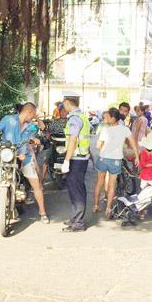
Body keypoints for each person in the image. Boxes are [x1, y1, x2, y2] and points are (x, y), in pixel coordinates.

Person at [0, 102, 50, 224]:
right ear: (29, 112)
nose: (33, 117)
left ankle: (42, 212)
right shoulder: (8, 119)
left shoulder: (31, 126)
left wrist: (35, 140)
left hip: (25, 157)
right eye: (33, 114)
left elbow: (40, 133)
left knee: (36, 184)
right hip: (7, 156)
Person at [93, 108, 141, 217]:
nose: (106, 119)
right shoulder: (125, 129)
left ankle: (95, 206)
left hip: (103, 158)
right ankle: (108, 208)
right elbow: (133, 143)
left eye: (108, 117)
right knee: (112, 185)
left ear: (113, 118)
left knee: (99, 183)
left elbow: (98, 145)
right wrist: (137, 157)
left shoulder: (106, 130)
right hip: (116, 160)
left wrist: (106, 148)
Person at [61, 92, 91, 232]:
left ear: (67, 102)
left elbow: (73, 140)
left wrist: (66, 160)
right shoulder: (82, 116)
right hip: (81, 158)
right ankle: (75, 218)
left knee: (76, 190)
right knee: (77, 188)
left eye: (64, 103)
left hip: (76, 159)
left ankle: (78, 223)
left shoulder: (74, 118)